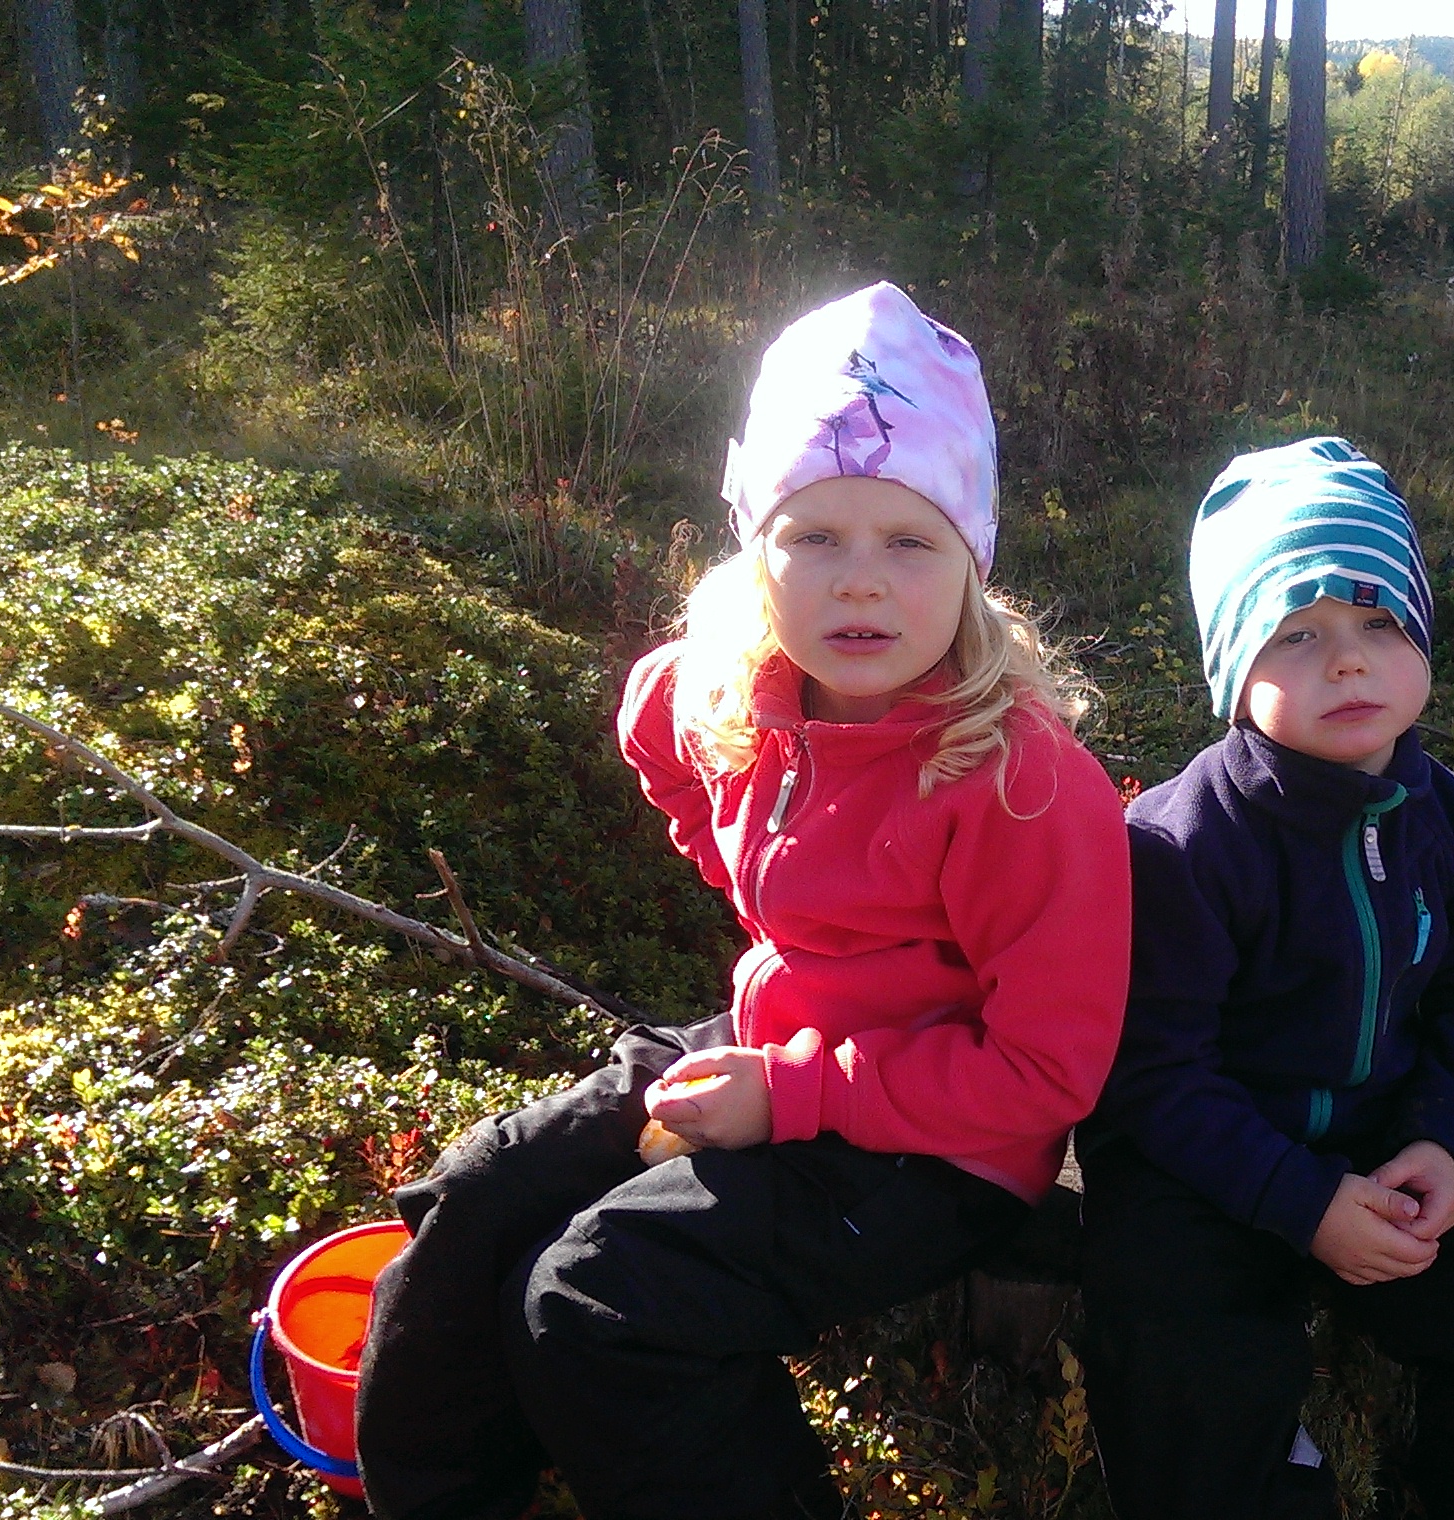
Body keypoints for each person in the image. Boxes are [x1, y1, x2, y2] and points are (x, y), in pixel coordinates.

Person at [352, 282, 1133, 1520]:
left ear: (973, 561)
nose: (861, 583)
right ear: (752, 542)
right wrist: (772, 915)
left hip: (947, 1143)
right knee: (481, 1195)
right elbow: (663, 739)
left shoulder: (1020, 781)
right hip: (785, 1041)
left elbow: (1046, 1073)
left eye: (911, 539)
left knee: (599, 1296)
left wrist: (795, 1094)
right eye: (813, 535)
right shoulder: (726, 687)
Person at [1078, 437, 1454, 1520]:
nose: (1349, 662)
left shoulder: (1452, 822)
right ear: (1234, 668)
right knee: (1177, 1364)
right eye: (1298, 632)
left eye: (1380, 622)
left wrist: (1443, 1139)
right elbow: (1153, 1073)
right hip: (1205, 1170)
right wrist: (1301, 1201)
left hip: (1386, 1144)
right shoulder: (1180, 848)